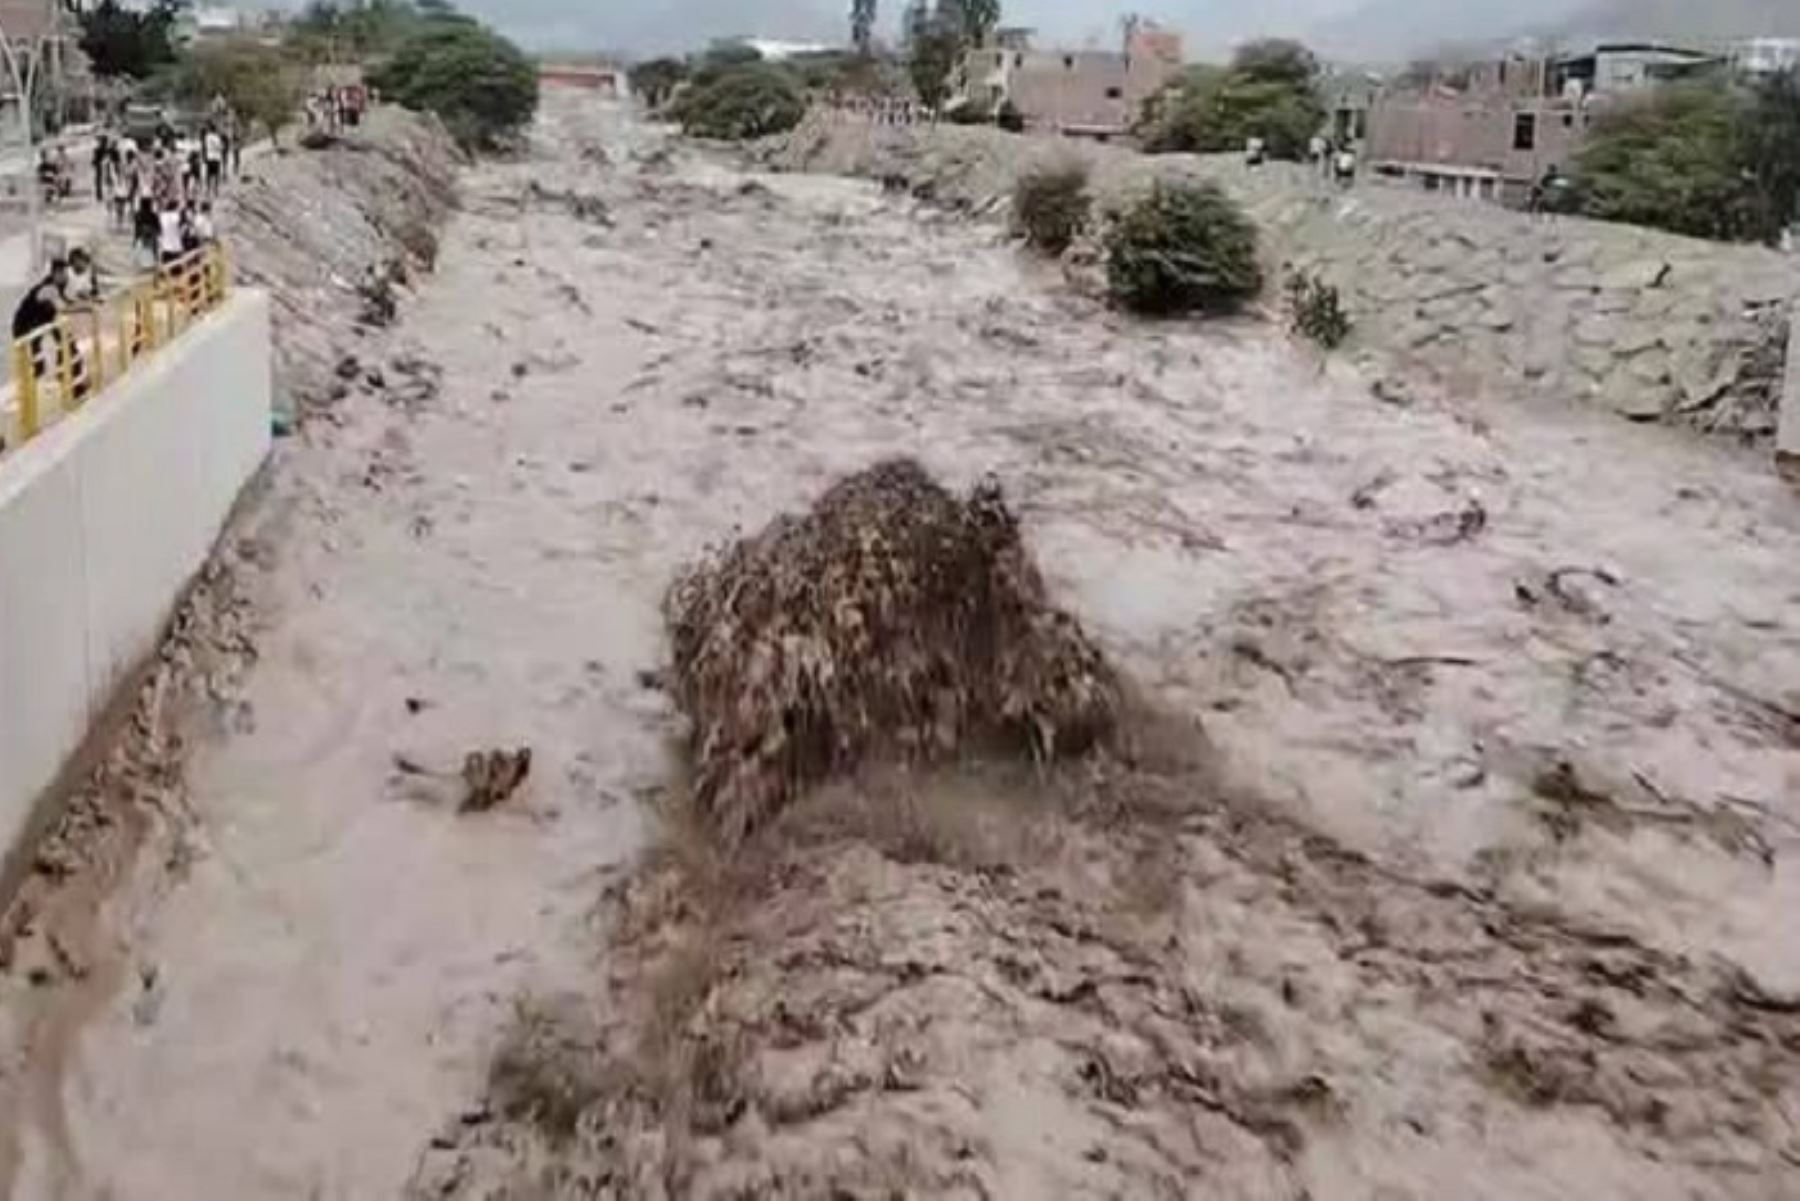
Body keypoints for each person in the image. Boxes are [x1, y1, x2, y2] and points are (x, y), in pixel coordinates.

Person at [202, 123, 225, 197]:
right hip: (216, 158)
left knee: (208, 174)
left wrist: (204, 156)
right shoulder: (217, 138)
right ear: (215, 130)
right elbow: (220, 147)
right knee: (216, 174)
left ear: (210, 129)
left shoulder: (207, 137)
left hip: (209, 157)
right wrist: (222, 146)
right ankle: (216, 190)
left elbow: (205, 147)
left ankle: (208, 189)